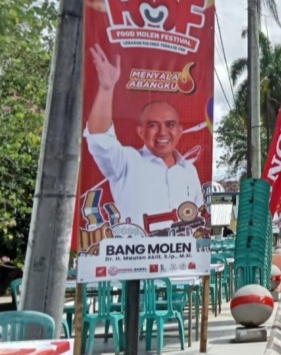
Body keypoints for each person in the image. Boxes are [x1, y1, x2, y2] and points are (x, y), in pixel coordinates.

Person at [83, 45, 203, 232]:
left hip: (181, 259)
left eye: (170, 125)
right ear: (140, 132)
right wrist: (106, 89)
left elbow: (198, 220)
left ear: (180, 131)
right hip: (134, 259)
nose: (163, 133)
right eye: (153, 125)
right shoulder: (127, 162)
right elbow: (99, 138)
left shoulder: (190, 171)